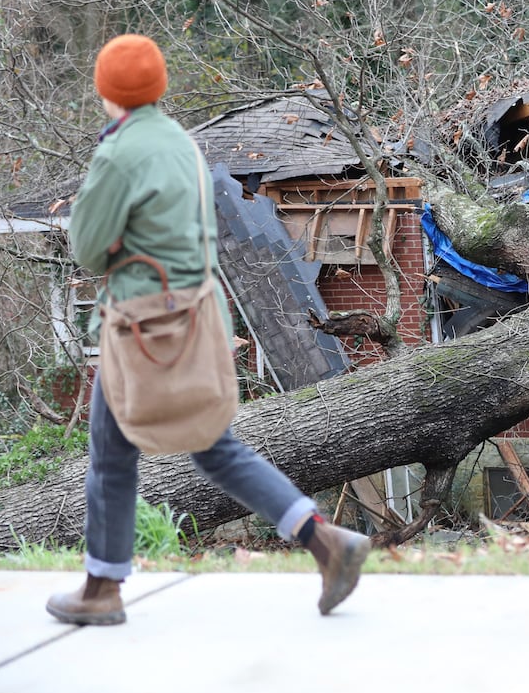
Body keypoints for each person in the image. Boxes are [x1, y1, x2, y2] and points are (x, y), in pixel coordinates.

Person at [45, 34, 372, 626]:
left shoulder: (118, 154)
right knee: (209, 444)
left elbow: (89, 248)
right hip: (196, 317)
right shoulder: (181, 143)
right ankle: (324, 541)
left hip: (142, 330)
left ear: (106, 93)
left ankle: (101, 589)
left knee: (113, 458)